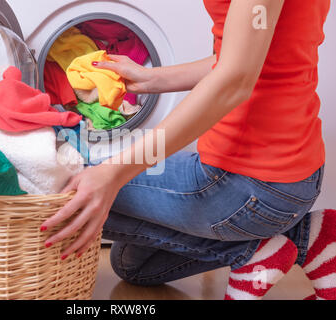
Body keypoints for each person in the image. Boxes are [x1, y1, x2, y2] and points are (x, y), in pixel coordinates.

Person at [41, 0, 335, 300]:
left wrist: (114, 172)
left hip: (248, 184)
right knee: (133, 265)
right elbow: (249, 53)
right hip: (290, 171)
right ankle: (308, 237)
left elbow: (234, 81)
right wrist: (153, 78)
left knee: (68, 188)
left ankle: (254, 250)